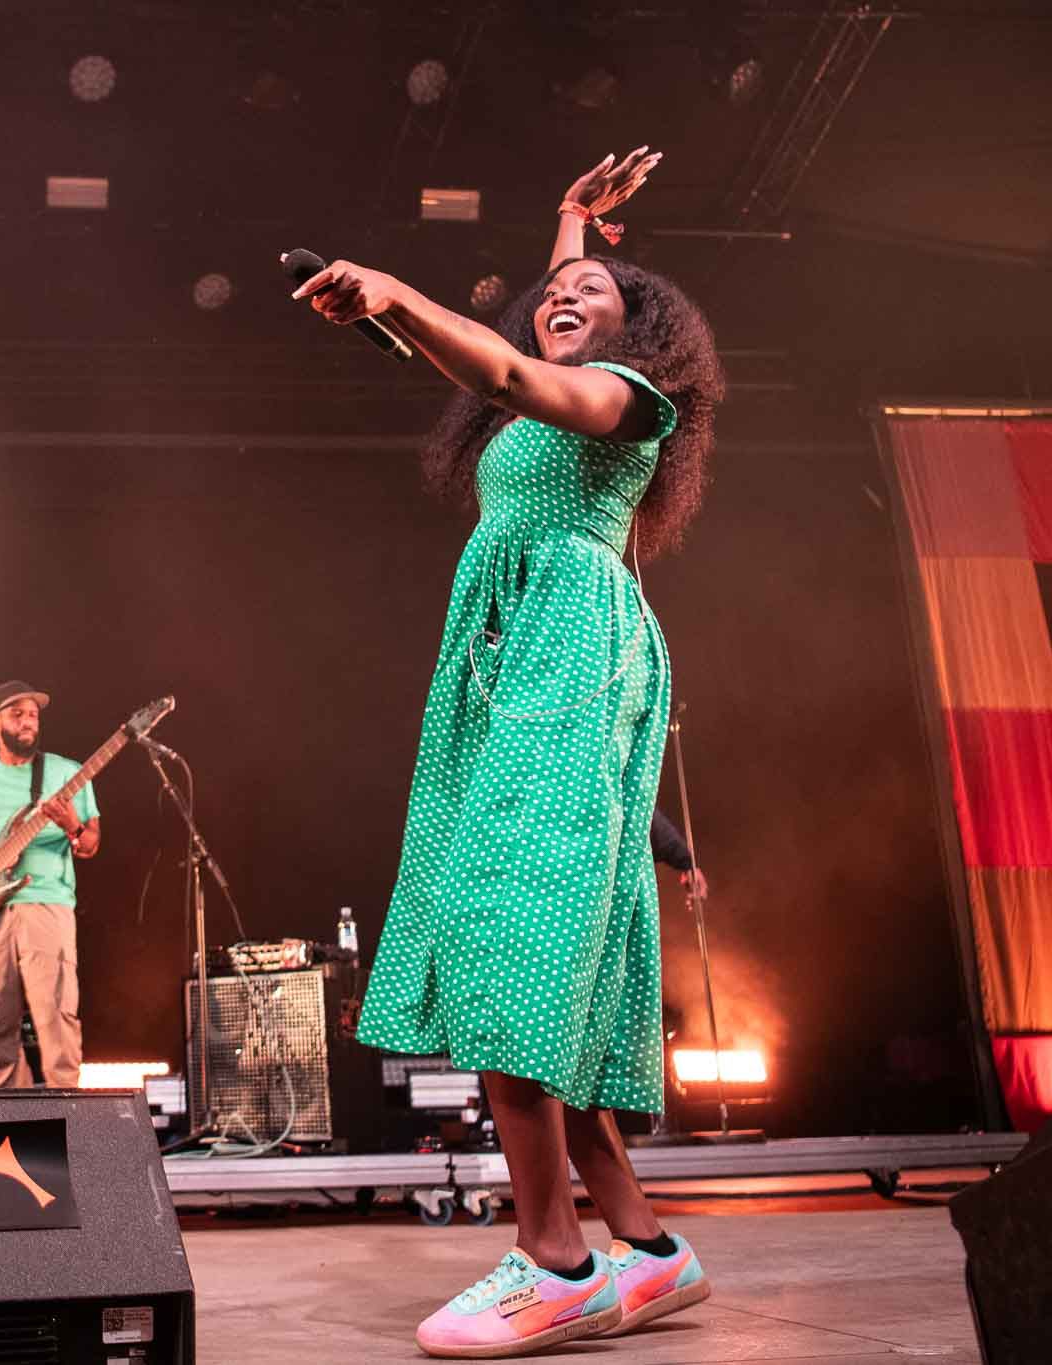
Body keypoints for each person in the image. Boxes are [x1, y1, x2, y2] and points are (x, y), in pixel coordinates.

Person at [294, 148, 723, 1357]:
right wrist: (569, 222)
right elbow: (527, 338)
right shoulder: (555, 349)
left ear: (644, 335)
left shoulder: (633, 402)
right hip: (507, 662)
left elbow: (510, 367)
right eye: (552, 294)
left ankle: (552, 1257)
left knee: (514, 930)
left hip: (565, 656)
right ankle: (642, 1248)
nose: (561, 299)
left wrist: (395, 293)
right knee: (539, 949)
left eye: (590, 296)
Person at [0, 680, 100, 1088]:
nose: (28, 722)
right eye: (17, 714)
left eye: (33, 715)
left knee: (56, 1015)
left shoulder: (67, 773)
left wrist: (71, 825)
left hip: (45, 902)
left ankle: (67, 1119)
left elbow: (89, 844)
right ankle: (14, 1121)